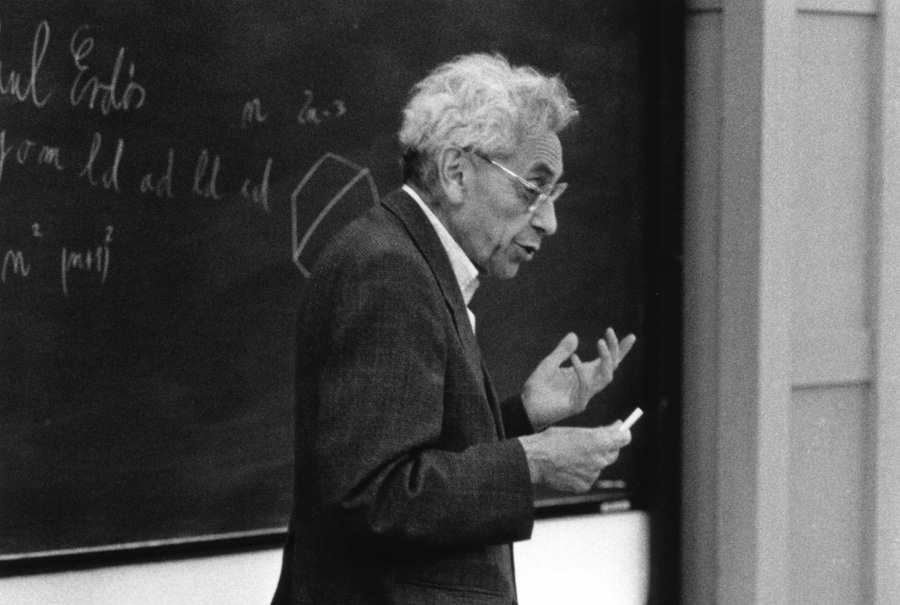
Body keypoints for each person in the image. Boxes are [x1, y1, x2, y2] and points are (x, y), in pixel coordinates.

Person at [271, 52, 636, 605]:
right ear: (456, 172)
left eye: (553, 197)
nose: (549, 220)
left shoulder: (405, 256)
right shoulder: (389, 271)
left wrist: (523, 417)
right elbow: (375, 495)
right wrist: (534, 459)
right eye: (531, 190)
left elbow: (418, 453)